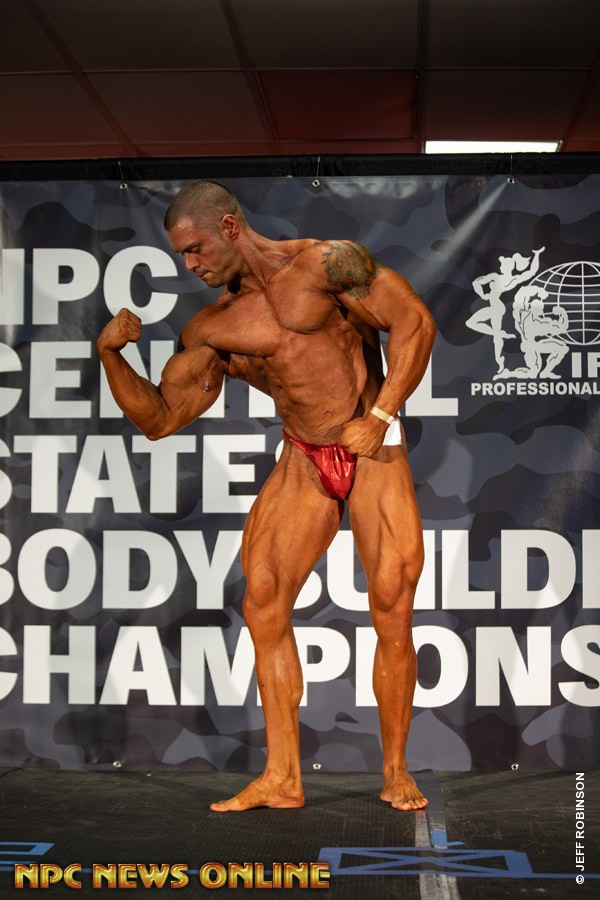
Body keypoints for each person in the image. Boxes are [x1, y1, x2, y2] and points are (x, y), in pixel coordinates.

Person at [97, 180, 436, 812]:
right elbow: (161, 418)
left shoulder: (327, 263)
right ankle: (282, 775)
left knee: (392, 604)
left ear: (228, 227)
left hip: (372, 445)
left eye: (195, 249)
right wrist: (111, 357)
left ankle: (395, 771)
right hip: (304, 455)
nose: (190, 265)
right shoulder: (213, 327)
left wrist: (381, 415)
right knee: (263, 601)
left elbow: (413, 322)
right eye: (181, 255)